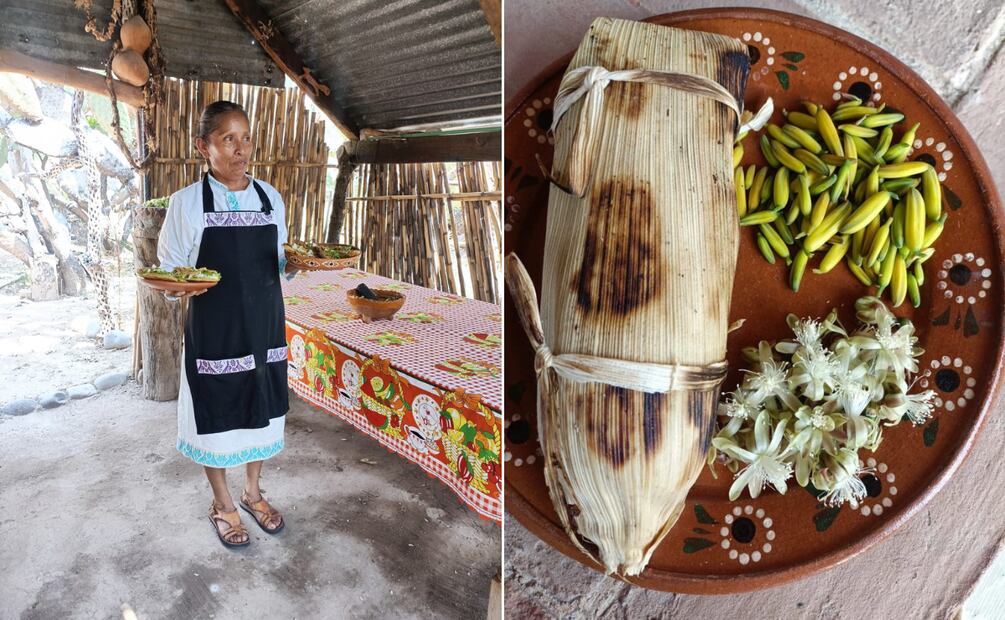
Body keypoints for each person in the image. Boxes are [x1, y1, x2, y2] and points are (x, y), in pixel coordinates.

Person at [158, 100, 295, 547]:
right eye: (227, 139)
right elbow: (170, 270)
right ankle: (222, 504)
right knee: (214, 419)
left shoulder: (269, 198)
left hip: (265, 327)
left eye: (246, 137)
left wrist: (297, 265)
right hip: (215, 332)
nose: (240, 149)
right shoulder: (186, 204)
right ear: (204, 146)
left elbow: (281, 262)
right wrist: (183, 287)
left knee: (262, 415)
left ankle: (253, 492)